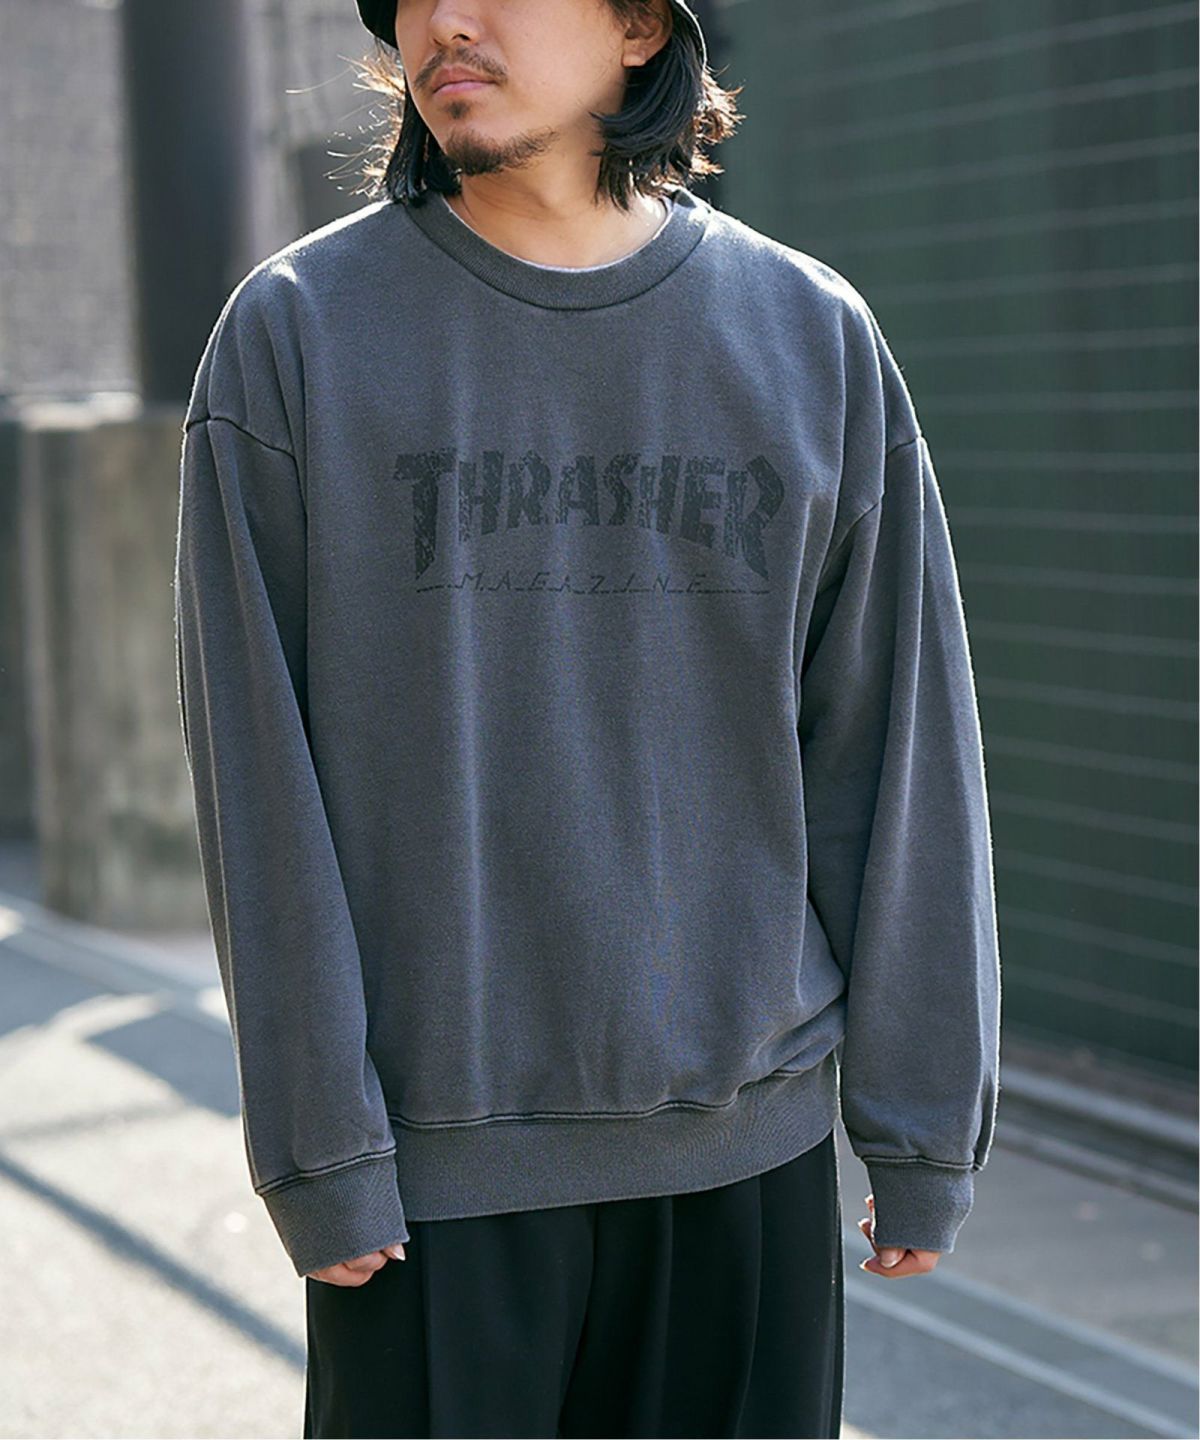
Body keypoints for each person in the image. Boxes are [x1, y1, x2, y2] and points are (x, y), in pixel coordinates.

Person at [172, 0, 1003, 1434]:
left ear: (638, 26)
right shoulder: (298, 335)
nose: (446, 21)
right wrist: (317, 1144)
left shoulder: (810, 336)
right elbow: (255, 777)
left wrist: (922, 1122)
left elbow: (898, 753)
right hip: (430, 1186)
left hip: (745, 1163)